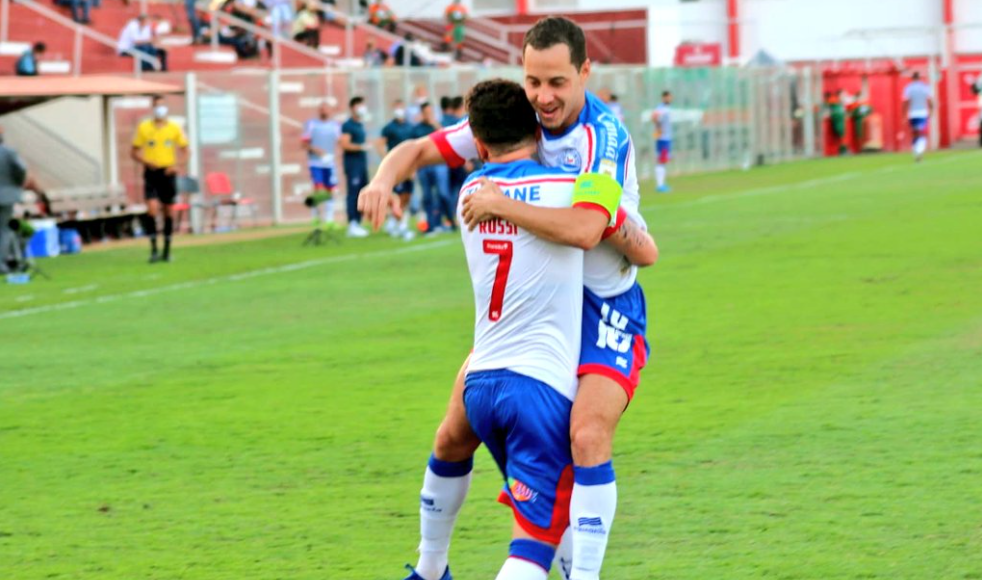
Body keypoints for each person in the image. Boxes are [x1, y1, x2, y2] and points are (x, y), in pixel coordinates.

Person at [361, 17, 657, 580]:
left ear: (584, 74)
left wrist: (499, 204)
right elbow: (420, 148)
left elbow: (586, 230)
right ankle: (429, 570)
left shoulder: (602, 138)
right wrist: (382, 180)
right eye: (533, 81)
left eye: (557, 83)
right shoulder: (519, 119)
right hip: (536, 302)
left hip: (600, 303)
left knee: (587, 434)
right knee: (452, 432)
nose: (543, 97)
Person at [406, 78, 617, 580]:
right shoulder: (567, 190)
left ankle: (430, 568)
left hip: (481, 385)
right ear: (539, 130)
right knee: (532, 548)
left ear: (478, 145)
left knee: (544, 511)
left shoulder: (471, 194)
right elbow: (612, 236)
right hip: (538, 390)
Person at [130, 96, 189, 263]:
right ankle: (154, 249)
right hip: (151, 172)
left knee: (169, 211)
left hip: (168, 173)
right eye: (157, 106)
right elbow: (133, 151)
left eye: (162, 106)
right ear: (153, 108)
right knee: (152, 209)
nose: (160, 110)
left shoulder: (174, 128)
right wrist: (146, 161)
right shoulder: (144, 128)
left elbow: (186, 150)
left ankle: (167, 250)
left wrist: (177, 165)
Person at [377, 100, 416, 240]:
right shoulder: (389, 127)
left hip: (409, 166)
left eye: (401, 107)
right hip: (397, 167)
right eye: (397, 107)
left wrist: (414, 166)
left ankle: (394, 222)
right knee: (398, 197)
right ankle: (402, 226)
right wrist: (388, 160)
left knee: (407, 196)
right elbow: (380, 144)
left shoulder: (410, 127)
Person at [0, 128, 37, 274]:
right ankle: (2, 263)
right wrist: (16, 184)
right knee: (4, 230)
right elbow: (21, 169)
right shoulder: (9, 152)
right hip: (6, 196)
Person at [413, 102, 453, 234]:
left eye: (430, 112)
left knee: (443, 194)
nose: (428, 115)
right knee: (427, 196)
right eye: (426, 113)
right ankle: (432, 225)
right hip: (424, 166)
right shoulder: (417, 129)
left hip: (439, 164)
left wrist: (434, 123)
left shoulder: (438, 126)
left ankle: (449, 221)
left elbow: (446, 137)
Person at [302, 102, 342, 227]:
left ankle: (329, 220)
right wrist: (316, 150)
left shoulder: (335, 126)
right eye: (321, 109)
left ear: (330, 111)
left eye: (326, 109)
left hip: (329, 164)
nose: (324, 111)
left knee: (330, 190)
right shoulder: (312, 124)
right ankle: (315, 217)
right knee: (319, 189)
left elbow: (340, 142)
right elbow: (304, 144)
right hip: (315, 163)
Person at [339, 97, 371, 238]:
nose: (362, 108)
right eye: (359, 105)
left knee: (362, 193)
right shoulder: (348, 125)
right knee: (353, 193)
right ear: (353, 108)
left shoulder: (360, 125)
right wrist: (360, 147)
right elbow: (344, 144)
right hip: (353, 164)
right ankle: (352, 223)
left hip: (362, 163)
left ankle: (358, 222)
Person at [903, 71, 933, 162]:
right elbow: (930, 100)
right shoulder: (924, 87)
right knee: (921, 132)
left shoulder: (909, 88)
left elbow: (905, 102)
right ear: (919, 77)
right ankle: (919, 151)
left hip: (912, 113)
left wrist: (904, 114)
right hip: (922, 113)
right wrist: (931, 112)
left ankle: (916, 151)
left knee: (915, 132)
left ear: (912, 78)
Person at [651, 90, 672, 193]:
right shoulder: (661, 108)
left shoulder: (666, 108)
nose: (669, 99)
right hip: (662, 138)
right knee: (661, 160)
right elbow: (654, 117)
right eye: (668, 97)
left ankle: (661, 184)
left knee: (663, 160)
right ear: (664, 97)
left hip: (666, 137)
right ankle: (660, 185)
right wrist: (658, 128)